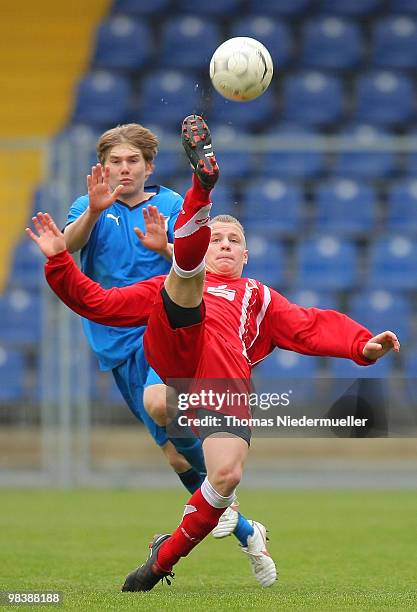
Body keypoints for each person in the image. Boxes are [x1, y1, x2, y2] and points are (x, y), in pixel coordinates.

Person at [27, 115, 400, 592]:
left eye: (234, 241)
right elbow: (97, 303)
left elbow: (311, 326)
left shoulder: (259, 297)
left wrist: (361, 346)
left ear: (247, 255)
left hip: (220, 386)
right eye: (217, 239)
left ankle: (157, 565)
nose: (225, 245)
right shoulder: (166, 283)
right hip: (172, 346)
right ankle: (204, 186)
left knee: (223, 476)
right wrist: (60, 260)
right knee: (179, 300)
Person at [57, 122, 270, 582]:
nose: (124, 168)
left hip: (164, 325)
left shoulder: (171, 203)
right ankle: (247, 527)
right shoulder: (89, 203)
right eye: (115, 161)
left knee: (160, 403)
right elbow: (66, 246)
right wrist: (93, 212)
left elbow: (200, 256)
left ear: (148, 166)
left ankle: (225, 462)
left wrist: (166, 245)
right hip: (114, 338)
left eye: (133, 161)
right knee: (176, 457)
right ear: (103, 166)